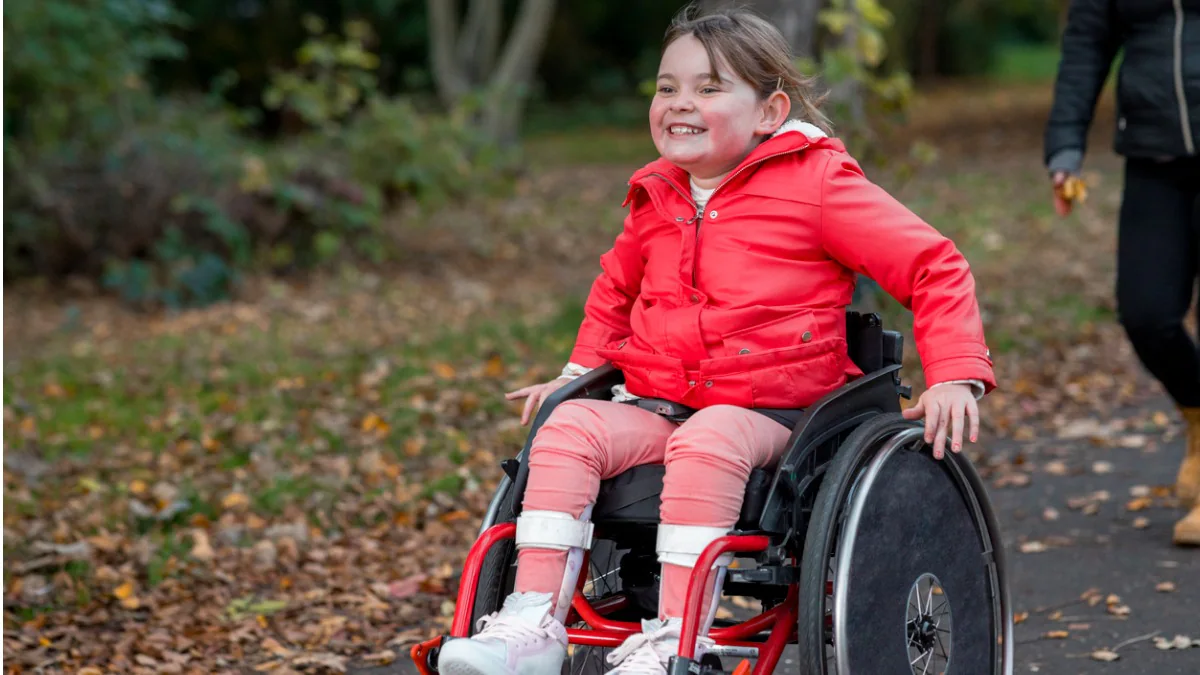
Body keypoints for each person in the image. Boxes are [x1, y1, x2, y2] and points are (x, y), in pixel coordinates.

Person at [438, 7, 996, 675]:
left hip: (779, 416)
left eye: (708, 88)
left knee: (709, 438)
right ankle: (531, 622)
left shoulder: (817, 184)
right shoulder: (657, 194)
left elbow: (933, 263)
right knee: (568, 428)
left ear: (770, 110)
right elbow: (614, 292)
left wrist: (956, 372)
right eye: (666, 87)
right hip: (665, 404)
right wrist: (576, 371)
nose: (680, 103)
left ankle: (677, 638)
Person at [1044, 0, 1200, 547]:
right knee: (1147, 313)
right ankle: (1198, 413)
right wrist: (1066, 145)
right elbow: (1087, 43)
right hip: (1155, 157)